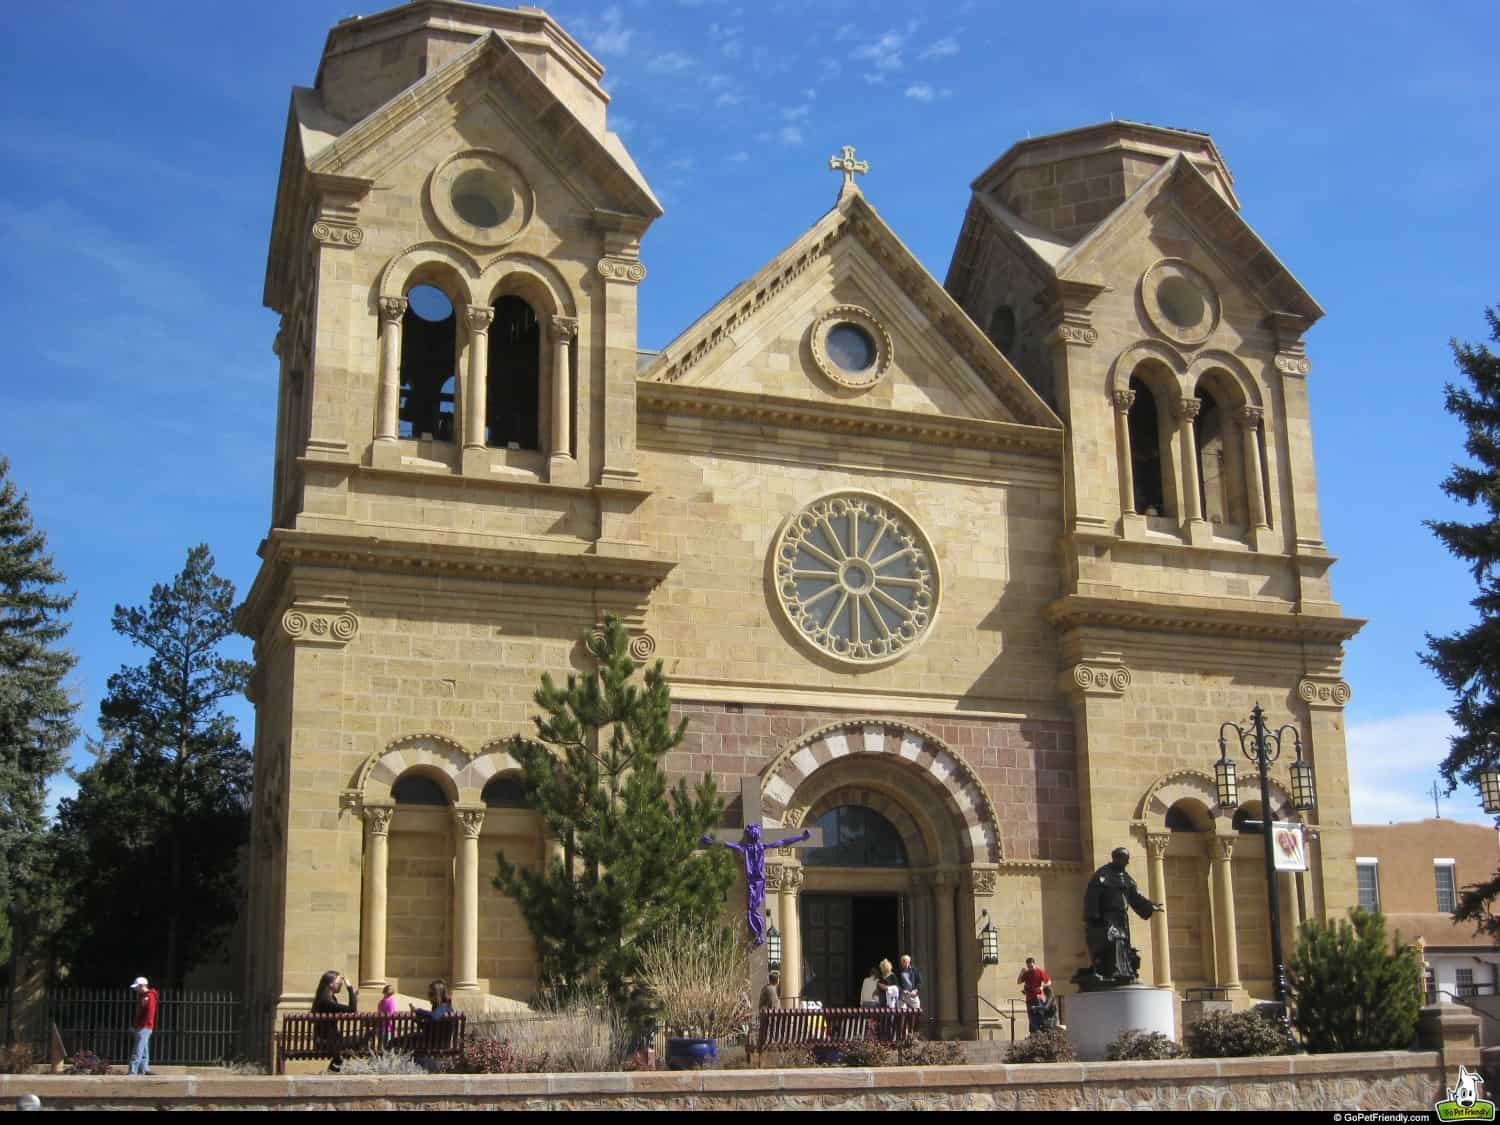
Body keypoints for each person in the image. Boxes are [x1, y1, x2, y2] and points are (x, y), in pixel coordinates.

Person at [1080, 847, 1163, 985]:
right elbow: (1092, 897)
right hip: (1107, 917)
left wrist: (1150, 905)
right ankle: (1113, 972)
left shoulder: (1125, 877)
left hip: (1121, 917)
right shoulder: (1102, 875)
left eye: (1127, 860)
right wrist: (1093, 917)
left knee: (1124, 944)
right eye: (1125, 859)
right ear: (1116, 858)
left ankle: (1124, 972)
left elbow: (1135, 897)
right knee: (1115, 939)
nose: (1127, 862)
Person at [311, 970, 359, 1072]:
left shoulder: (327, 999)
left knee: (355, 1042)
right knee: (363, 1038)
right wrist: (350, 988)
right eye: (339, 983)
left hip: (329, 1041)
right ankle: (334, 1068)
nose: (341, 985)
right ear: (331, 984)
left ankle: (335, 1066)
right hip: (328, 1042)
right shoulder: (326, 1001)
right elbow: (352, 1009)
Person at [128, 977, 157, 1076]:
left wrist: (139, 1026)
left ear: (142, 986)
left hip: (143, 1027)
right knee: (143, 1048)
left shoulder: (148, 996)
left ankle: (133, 1070)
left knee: (138, 1049)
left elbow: (149, 1014)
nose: (135, 989)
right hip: (144, 1026)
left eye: (137, 987)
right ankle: (143, 1069)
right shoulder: (143, 996)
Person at [1017, 956, 1052, 1032]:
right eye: (1029, 967)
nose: (1030, 968)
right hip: (1029, 998)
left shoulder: (1039, 972)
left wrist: (1042, 987)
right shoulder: (1026, 973)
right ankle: (1034, 1034)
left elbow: (1049, 982)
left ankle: (1041, 1032)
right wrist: (1021, 972)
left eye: (1031, 966)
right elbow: (1019, 982)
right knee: (1031, 1017)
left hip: (1038, 997)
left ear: (1034, 964)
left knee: (1039, 1015)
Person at [377, 983, 398, 1047]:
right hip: (388, 1028)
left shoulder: (381, 1002)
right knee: (388, 1045)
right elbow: (391, 1015)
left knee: (381, 1045)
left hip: (381, 1027)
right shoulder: (391, 1001)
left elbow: (379, 1013)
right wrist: (393, 1028)